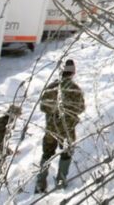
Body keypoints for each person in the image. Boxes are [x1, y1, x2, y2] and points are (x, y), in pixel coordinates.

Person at [36, 59, 86, 193]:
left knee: (46, 154)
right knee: (66, 155)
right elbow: (81, 108)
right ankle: (60, 182)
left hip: (51, 129)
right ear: (73, 72)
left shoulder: (51, 87)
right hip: (67, 131)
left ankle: (40, 184)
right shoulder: (75, 89)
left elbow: (42, 107)